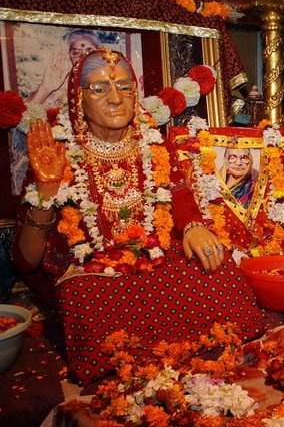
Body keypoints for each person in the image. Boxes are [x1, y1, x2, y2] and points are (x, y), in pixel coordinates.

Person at [13, 48, 267, 384]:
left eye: (125, 87)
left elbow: (182, 201)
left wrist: (193, 227)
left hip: (156, 261)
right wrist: (46, 194)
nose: (116, 99)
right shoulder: (58, 152)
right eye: (100, 89)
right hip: (93, 276)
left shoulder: (155, 146)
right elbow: (25, 261)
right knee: (84, 297)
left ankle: (168, 345)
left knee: (218, 267)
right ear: (79, 101)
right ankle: (149, 348)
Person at [27, 28, 101, 108]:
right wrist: (45, 89)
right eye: (76, 52)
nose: (83, 57)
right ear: (69, 55)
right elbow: (26, 117)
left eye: (89, 52)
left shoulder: (108, 79)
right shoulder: (60, 85)